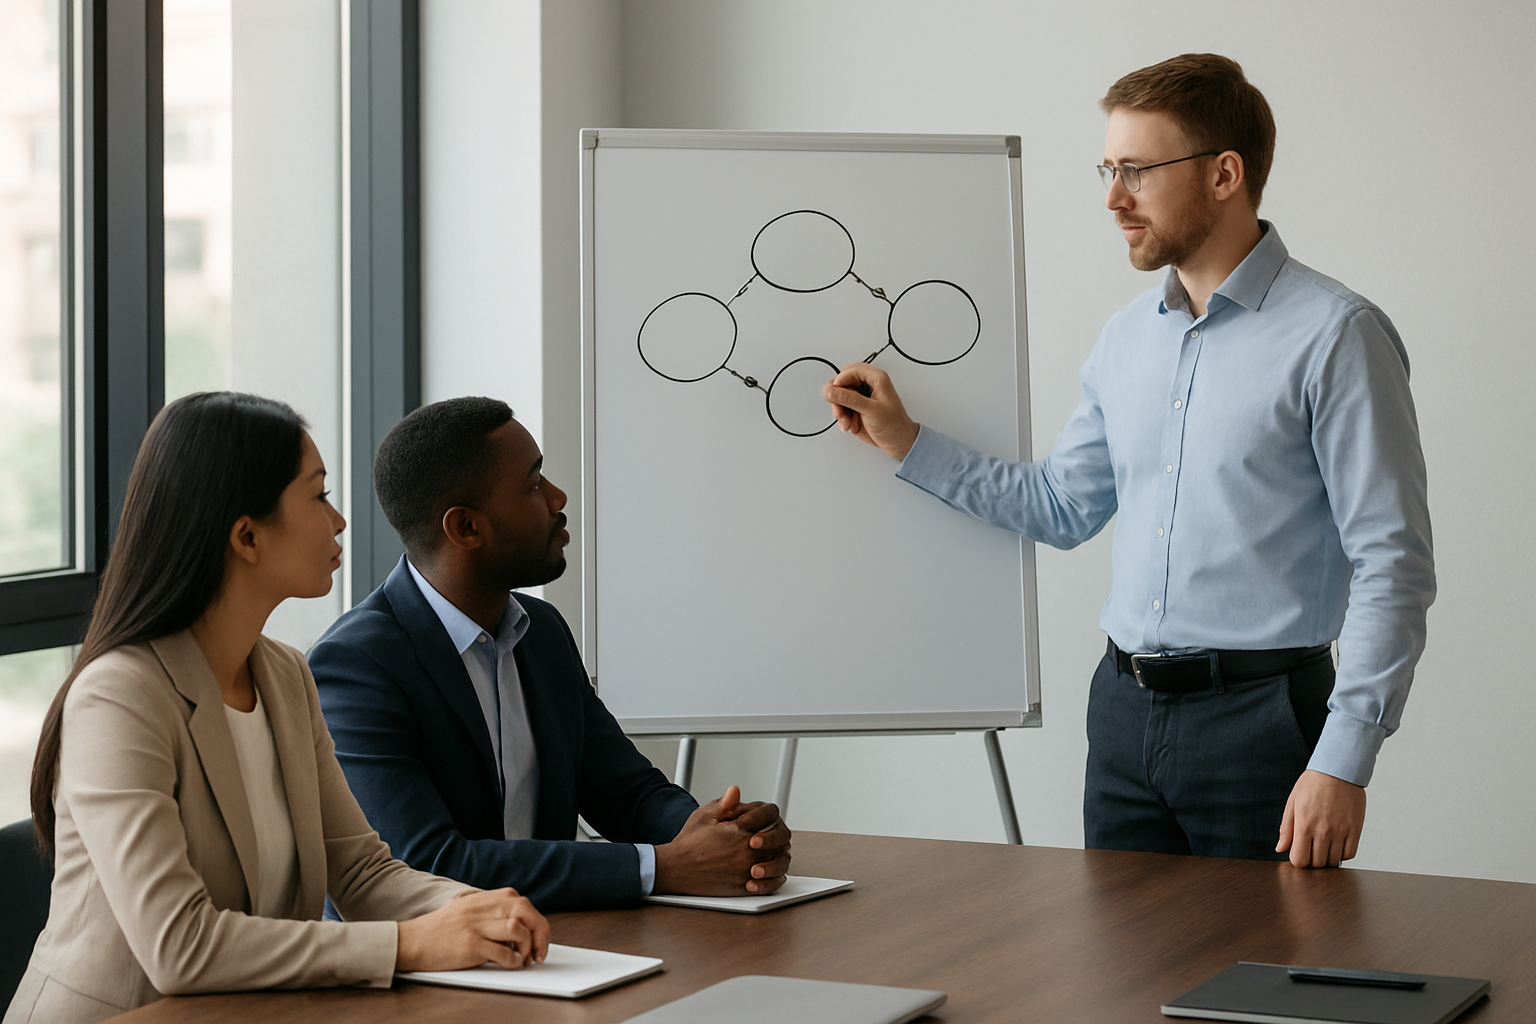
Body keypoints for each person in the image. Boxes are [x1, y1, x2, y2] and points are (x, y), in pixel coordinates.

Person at [822, 54, 1434, 868]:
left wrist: (1342, 760)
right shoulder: (1127, 338)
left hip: (1263, 723)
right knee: (1120, 987)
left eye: (1137, 170)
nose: (1113, 197)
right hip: (1119, 712)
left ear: (1224, 174)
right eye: (1109, 169)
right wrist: (907, 441)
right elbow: (1063, 507)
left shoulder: (1336, 335)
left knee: (1254, 985)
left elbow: (1393, 564)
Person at [6, 393, 549, 1024]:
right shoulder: (119, 694)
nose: (340, 519)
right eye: (318, 496)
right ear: (246, 535)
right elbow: (178, 947)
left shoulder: (286, 674)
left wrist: (481, 913)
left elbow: (364, 872)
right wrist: (412, 943)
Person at [308, 397, 791, 911]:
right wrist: (666, 865)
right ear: (466, 527)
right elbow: (424, 865)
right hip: (423, 974)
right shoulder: (355, 665)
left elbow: (624, 792)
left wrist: (725, 835)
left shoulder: (541, 632)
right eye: (534, 484)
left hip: (554, 946)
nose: (559, 497)